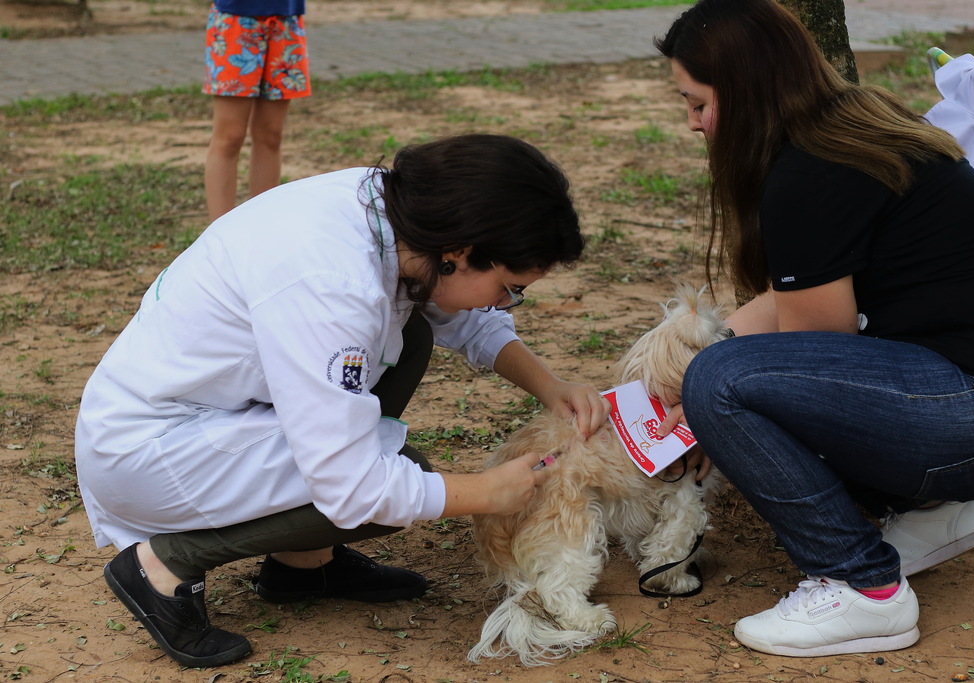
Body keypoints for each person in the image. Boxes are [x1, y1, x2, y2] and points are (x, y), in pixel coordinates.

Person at [74, 134, 611, 668]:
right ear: (461, 252)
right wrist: (484, 492)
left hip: (208, 412)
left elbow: (464, 312)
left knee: (412, 336)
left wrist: (550, 385)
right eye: (510, 286)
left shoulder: (395, 212)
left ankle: (304, 564)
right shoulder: (334, 286)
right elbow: (352, 489)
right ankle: (163, 564)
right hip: (149, 452)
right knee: (400, 478)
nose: (507, 301)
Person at [653, 0, 974, 659]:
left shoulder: (807, 175)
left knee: (719, 385)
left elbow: (812, 352)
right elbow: (787, 300)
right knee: (712, 368)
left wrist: (704, 409)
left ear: (742, 93)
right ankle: (938, 512)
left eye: (698, 102)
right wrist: (686, 360)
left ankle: (863, 587)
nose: (692, 123)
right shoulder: (850, 130)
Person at [203, 0, 311, 221]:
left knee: (271, 135)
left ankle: (264, 227)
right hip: (235, 19)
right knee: (230, 136)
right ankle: (218, 235)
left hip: (286, 21)